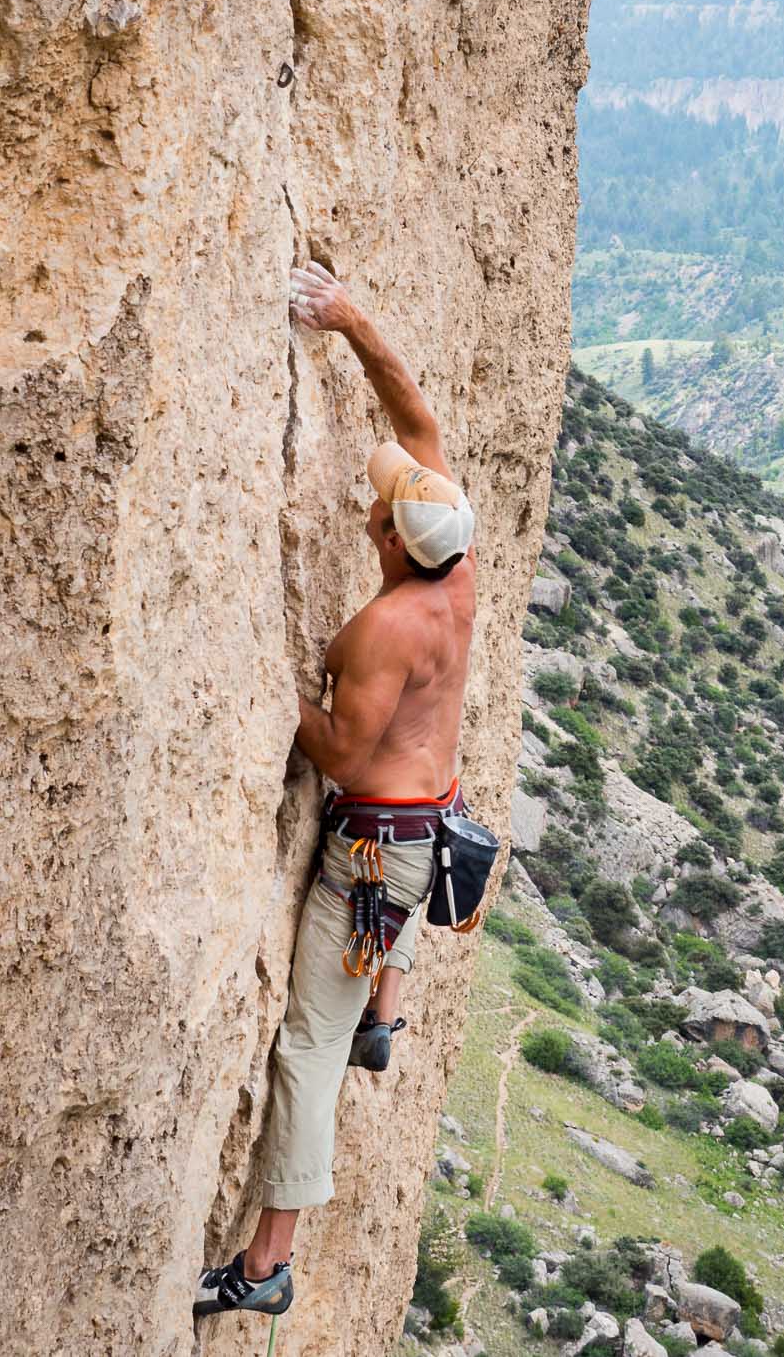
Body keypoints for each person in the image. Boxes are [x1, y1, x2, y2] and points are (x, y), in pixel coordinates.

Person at [196, 263, 480, 1320]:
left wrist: (273, 681)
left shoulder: (382, 631)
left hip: (373, 851)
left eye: (380, 503)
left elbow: (342, 758)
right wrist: (353, 317)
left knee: (306, 1049)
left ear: (386, 539)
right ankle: (387, 1018)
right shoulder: (456, 562)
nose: (376, 497)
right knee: (386, 927)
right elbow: (417, 416)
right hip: (427, 824)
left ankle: (263, 1269)